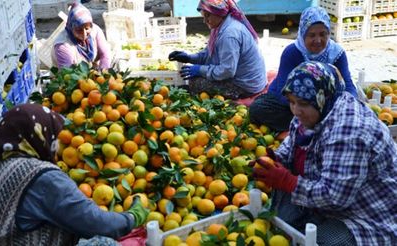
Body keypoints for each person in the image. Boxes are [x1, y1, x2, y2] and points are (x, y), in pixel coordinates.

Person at [252, 61, 397, 245]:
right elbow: (291, 143)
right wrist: (276, 159)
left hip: (366, 214)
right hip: (322, 191)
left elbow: (335, 197)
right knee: (280, 221)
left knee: (321, 241)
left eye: (302, 103)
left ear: (323, 98)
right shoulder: (315, 110)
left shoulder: (349, 132)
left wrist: (288, 181)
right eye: (291, 102)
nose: (296, 110)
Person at [0, 104, 149, 245]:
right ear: (39, 134)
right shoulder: (43, 177)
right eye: (54, 136)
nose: (57, 144)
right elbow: (96, 223)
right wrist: (132, 217)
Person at [249, 6, 358, 132]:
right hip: (294, 106)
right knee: (258, 108)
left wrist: (349, 106)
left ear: (329, 33)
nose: (318, 40)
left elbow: (349, 85)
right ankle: (319, 126)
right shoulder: (292, 52)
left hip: (326, 106)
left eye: (323, 34)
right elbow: (282, 91)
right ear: (302, 34)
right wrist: (307, 107)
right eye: (312, 35)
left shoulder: (337, 54)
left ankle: (310, 126)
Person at [168, 0, 267, 100]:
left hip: (246, 85)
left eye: (208, 16)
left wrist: (199, 70)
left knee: (195, 82)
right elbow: (208, 54)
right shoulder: (220, 26)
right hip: (244, 77)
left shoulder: (229, 35)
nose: (205, 21)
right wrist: (189, 58)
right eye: (203, 16)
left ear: (219, 13)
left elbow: (227, 71)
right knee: (196, 77)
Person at [52, 2, 111, 69]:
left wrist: (103, 72)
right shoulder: (63, 45)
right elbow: (67, 73)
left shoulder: (95, 30)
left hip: (91, 74)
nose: (84, 34)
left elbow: (105, 54)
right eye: (79, 30)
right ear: (71, 27)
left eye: (87, 29)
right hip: (70, 76)